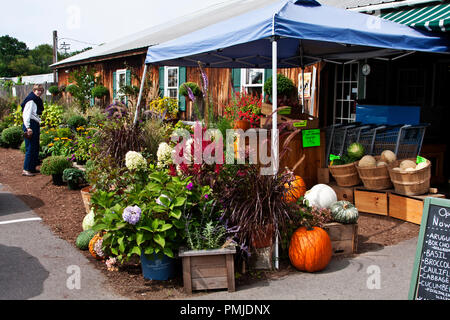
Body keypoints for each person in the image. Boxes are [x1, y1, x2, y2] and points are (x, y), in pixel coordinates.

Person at [21, 84, 45, 176]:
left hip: (34, 124)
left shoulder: (36, 100)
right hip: (30, 124)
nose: (39, 92)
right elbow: (26, 114)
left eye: (40, 91)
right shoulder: (31, 100)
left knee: (35, 147)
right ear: (34, 91)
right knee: (30, 148)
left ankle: (32, 168)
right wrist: (28, 127)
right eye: (37, 90)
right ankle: (26, 169)